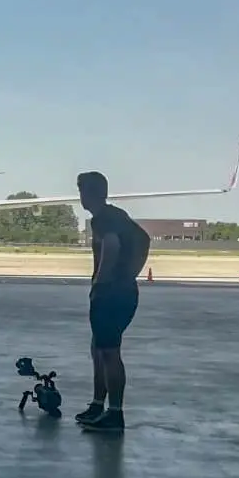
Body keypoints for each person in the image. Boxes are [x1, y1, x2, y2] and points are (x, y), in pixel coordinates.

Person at [76, 171, 150, 433]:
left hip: (110, 293)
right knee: (99, 349)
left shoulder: (103, 220)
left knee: (108, 352)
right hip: (122, 291)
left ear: (89, 193)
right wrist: (130, 273)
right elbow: (144, 239)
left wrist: (102, 281)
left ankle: (115, 413)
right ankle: (98, 405)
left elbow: (112, 245)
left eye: (81, 191)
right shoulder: (116, 215)